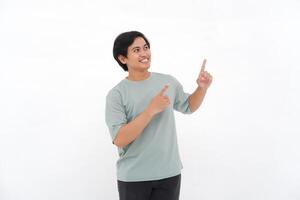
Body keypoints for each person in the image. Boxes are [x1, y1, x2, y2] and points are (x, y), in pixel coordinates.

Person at [105, 31, 212, 200]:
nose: (144, 53)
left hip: (169, 173)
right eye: (136, 50)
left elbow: (189, 106)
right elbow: (119, 139)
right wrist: (150, 111)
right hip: (134, 177)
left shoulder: (167, 82)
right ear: (122, 58)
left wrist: (202, 88)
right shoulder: (116, 94)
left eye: (146, 48)